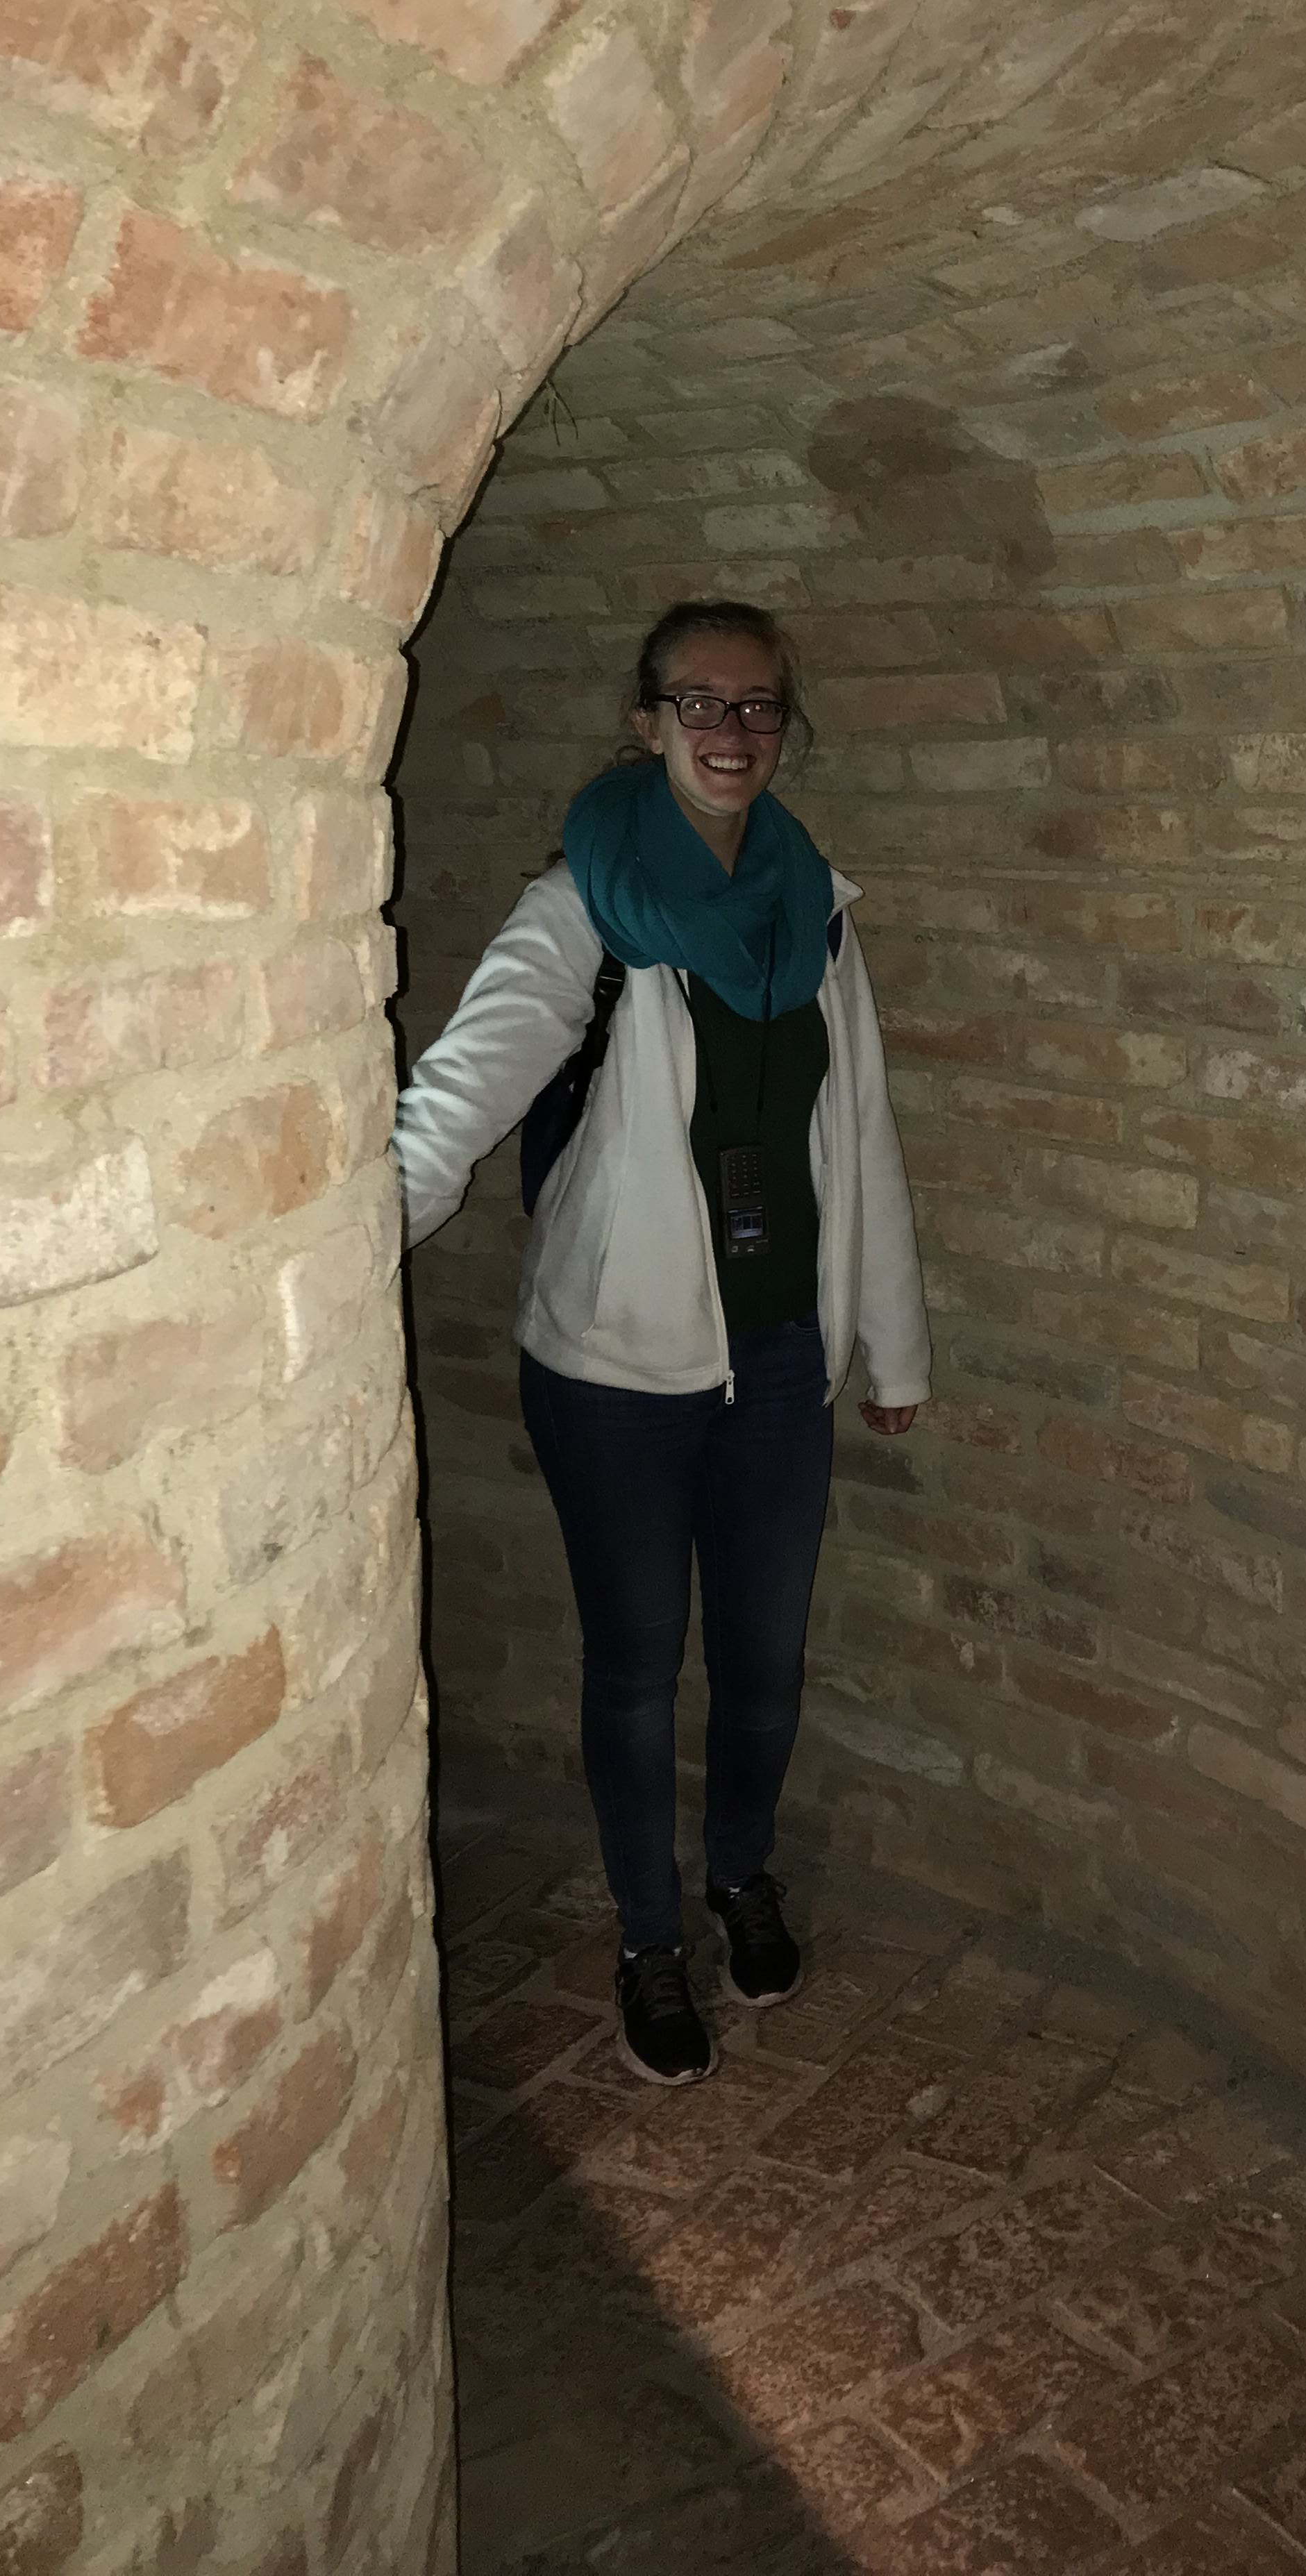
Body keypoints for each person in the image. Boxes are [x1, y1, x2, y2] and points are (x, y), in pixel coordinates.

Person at [392, 600, 930, 2086]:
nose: (730, 732)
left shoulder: (815, 910)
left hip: (778, 1351)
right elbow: (465, 1088)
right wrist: (343, 1246)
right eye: (699, 702)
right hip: (616, 1366)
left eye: (758, 707)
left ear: (785, 728)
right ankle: (648, 1938)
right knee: (636, 1670)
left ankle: (740, 1872)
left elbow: (863, 1137)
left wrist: (891, 1351)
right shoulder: (584, 905)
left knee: (764, 1659)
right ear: (647, 722)